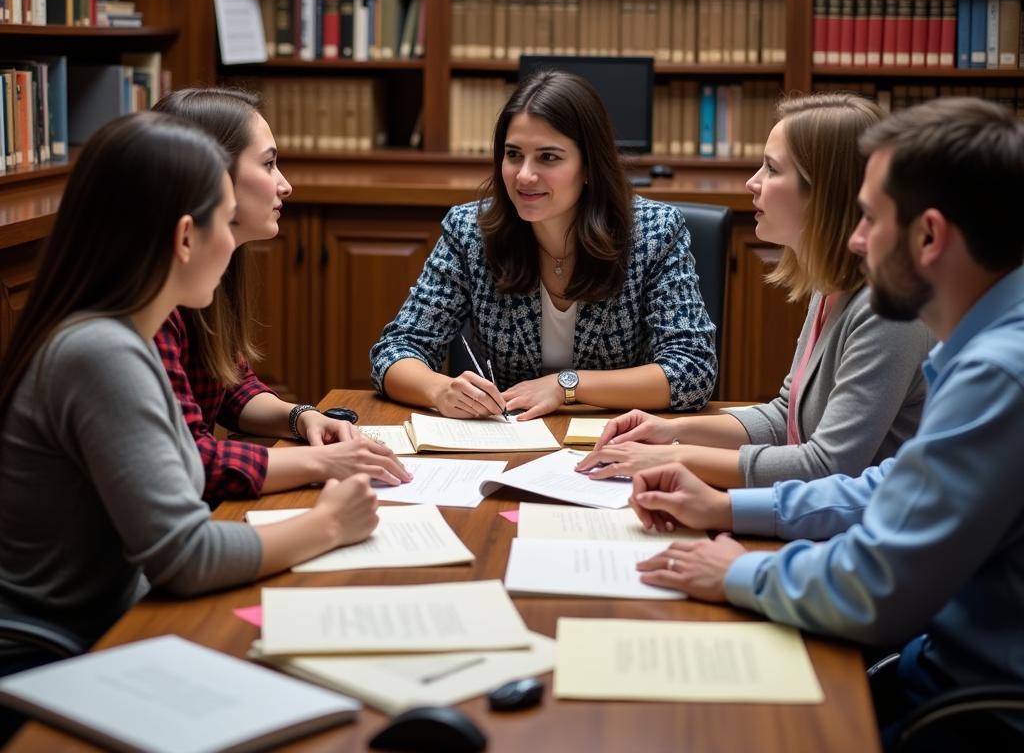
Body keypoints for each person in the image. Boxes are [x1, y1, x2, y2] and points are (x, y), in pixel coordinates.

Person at [626, 97, 1024, 749]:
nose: (857, 239)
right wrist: (730, 510)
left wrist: (735, 571)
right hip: (938, 666)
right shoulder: (985, 343)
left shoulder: (1000, 372)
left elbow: (878, 584)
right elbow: (891, 486)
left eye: (869, 218)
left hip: (968, 706)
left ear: (929, 236)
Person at [0, 113, 379, 680]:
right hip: (56, 653)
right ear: (183, 238)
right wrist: (329, 522)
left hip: (109, 621)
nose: (232, 242)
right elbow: (186, 557)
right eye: (226, 222)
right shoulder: (103, 352)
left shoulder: (121, 336)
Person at [578, 93, 932, 488]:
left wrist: (673, 456)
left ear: (824, 193)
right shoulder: (832, 284)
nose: (752, 182)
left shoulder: (887, 309)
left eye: (772, 169)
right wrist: (672, 429)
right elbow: (786, 416)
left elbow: (827, 467)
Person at [370, 70, 717, 419]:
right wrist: (440, 389)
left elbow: (693, 369)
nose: (524, 175)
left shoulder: (652, 233)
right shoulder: (471, 232)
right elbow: (396, 349)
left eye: (548, 157)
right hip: (507, 441)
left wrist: (567, 385)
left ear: (589, 166)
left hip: (615, 440)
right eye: (514, 154)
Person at [152, 88, 410, 502]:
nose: (285, 185)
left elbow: (229, 386)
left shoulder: (204, 271)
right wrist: (328, 463)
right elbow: (190, 464)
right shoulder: (152, 302)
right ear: (207, 176)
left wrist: (300, 417)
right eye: (269, 164)